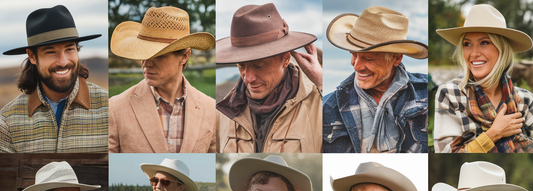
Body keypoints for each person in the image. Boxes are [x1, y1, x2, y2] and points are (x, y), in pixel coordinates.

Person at [216, 3, 323, 153]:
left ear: (286, 59)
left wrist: (321, 83)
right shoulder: (223, 112)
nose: (248, 78)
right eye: (241, 66)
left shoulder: (318, 105)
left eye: (259, 65)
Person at [0, 5, 108, 153]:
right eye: (50, 52)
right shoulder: (8, 121)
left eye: (69, 49)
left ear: (77, 49)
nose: (63, 61)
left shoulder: (109, 109)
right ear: (32, 56)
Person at [108, 6, 216, 153]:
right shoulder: (115, 108)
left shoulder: (210, 109)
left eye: (159, 55)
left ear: (184, 56)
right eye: (143, 53)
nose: (146, 62)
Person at [323, 6, 429, 153]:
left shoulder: (428, 94)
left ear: (396, 58)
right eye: (353, 54)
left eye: (368, 58)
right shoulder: (327, 106)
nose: (356, 66)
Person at [434, 4, 533, 153]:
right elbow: (445, 153)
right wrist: (494, 134)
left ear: (502, 49)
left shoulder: (525, 99)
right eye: (467, 44)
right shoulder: (450, 94)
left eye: (484, 43)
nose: (473, 53)